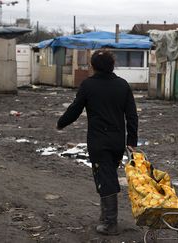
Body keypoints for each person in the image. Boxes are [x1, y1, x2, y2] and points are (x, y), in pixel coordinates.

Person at [57, 50, 138, 235]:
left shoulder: (88, 85)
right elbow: (132, 116)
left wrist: (61, 123)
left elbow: (74, 109)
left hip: (99, 142)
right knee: (106, 177)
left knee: (106, 179)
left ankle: (110, 223)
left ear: (93, 66)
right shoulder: (122, 85)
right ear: (112, 65)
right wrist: (131, 141)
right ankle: (105, 219)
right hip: (117, 142)